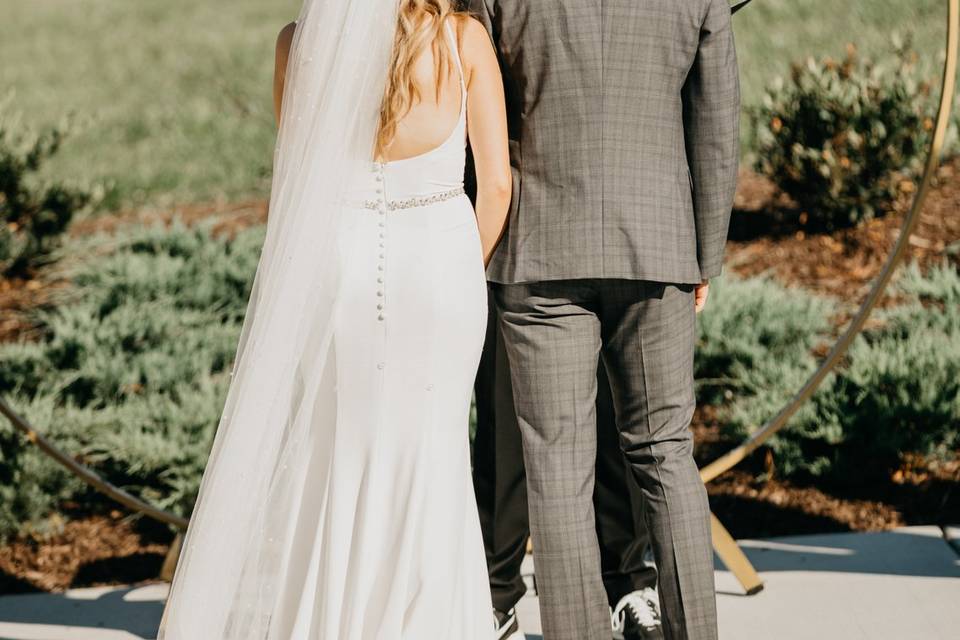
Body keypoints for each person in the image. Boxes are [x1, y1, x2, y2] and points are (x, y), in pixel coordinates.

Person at [157, 1, 511, 638]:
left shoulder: (296, 46)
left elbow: (300, 182)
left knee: (339, 456)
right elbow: (497, 186)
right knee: (433, 456)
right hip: (440, 277)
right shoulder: (462, 40)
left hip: (340, 271)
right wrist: (462, 265)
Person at [467, 1, 741, 639]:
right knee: (666, 452)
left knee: (556, 467)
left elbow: (470, 105)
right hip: (657, 244)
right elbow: (716, 121)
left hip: (538, 244)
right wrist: (705, 253)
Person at [473, 309, 662, 640]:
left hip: (599, 260)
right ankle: (496, 595)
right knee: (502, 406)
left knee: (614, 397)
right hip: (501, 264)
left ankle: (628, 582)